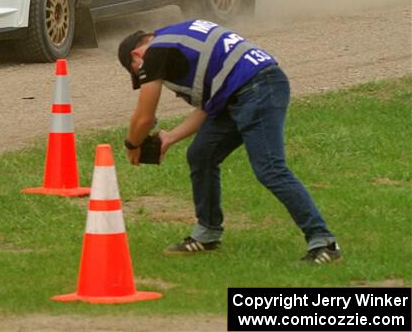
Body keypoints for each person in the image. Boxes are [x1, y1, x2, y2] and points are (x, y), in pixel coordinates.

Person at [118, 19, 340, 263]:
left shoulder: (156, 51)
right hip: (245, 90)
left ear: (136, 54)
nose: (145, 76)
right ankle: (208, 232)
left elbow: (144, 118)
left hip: (257, 90)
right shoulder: (180, 36)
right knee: (201, 154)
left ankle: (324, 242)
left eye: (138, 72)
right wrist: (170, 137)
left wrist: (133, 144)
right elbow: (208, 107)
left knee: (270, 169)